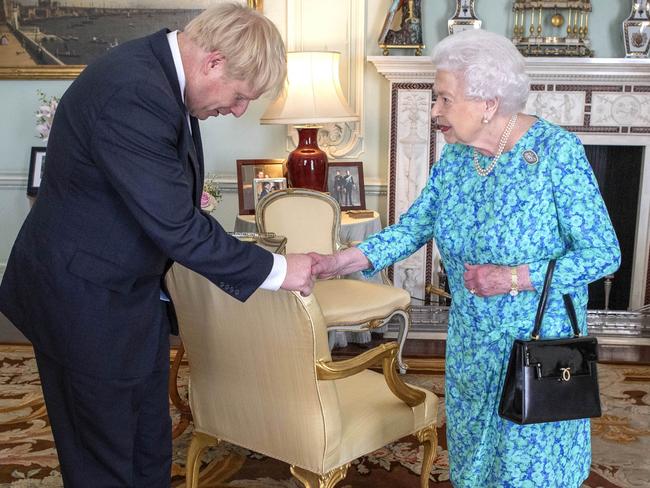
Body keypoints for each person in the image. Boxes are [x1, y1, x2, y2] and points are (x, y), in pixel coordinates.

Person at [0, 3, 314, 487]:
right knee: (105, 461)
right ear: (213, 62)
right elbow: (178, 225)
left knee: (147, 442)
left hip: (126, 295)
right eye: (238, 96)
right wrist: (280, 270)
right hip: (82, 301)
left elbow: (171, 207)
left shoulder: (162, 79)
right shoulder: (133, 91)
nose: (237, 110)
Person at [311, 29, 620, 488]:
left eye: (444, 99)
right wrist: (337, 262)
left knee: (528, 466)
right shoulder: (456, 159)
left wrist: (513, 277)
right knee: (474, 460)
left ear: (488, 103)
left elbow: (603, 253)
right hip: (472, 343)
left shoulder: (557, 153)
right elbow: (414, 227)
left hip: (537, 342)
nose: (435, 111)